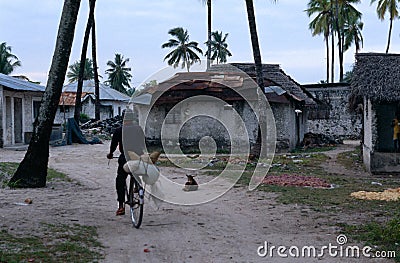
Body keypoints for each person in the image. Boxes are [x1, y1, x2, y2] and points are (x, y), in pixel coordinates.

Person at [107, 110, 145, 215]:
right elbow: (143, 143)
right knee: (137, 173)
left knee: (120, 180)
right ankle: (137, 186)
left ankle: (121, 206)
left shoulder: (119, 130)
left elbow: (113, 145)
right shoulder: (138, 129)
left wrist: (110, 153)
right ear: (133, 119)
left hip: (125, 158)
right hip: (138, 157)